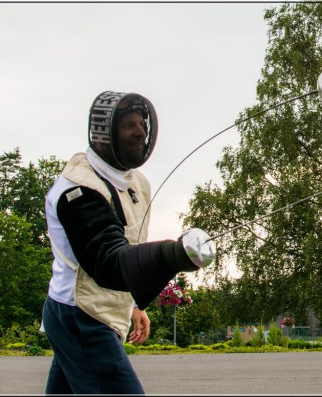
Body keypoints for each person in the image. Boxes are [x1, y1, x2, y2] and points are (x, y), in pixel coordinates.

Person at [41, 91, 216, 394]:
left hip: (98, 313)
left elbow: (130, 244)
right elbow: (107, 261)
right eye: (129, 125)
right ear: (103, 133)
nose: (140, 132)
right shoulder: (77, 190)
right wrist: (173, 255)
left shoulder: (138, 183)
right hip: (81, 315)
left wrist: (134, 305)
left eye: (142, 124)